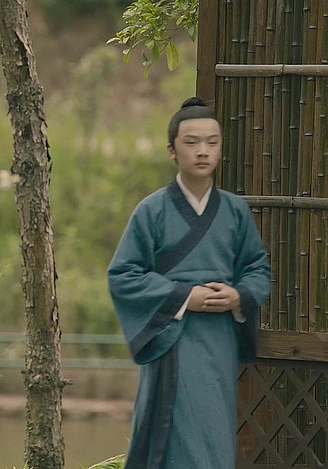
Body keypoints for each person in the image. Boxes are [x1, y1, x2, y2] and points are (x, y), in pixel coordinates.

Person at [107, 97, 271, 469]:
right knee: (177, 435)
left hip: (219, 340)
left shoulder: (235, 211)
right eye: (192, 142)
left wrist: (237, 296)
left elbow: (257, 269)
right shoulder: (151, 211)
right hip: (172, 337)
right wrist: (183, 297)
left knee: (215, 430)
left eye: (212, 142)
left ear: (221, 149)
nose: (203, 151)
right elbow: (123, 275)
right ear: (172, 150)